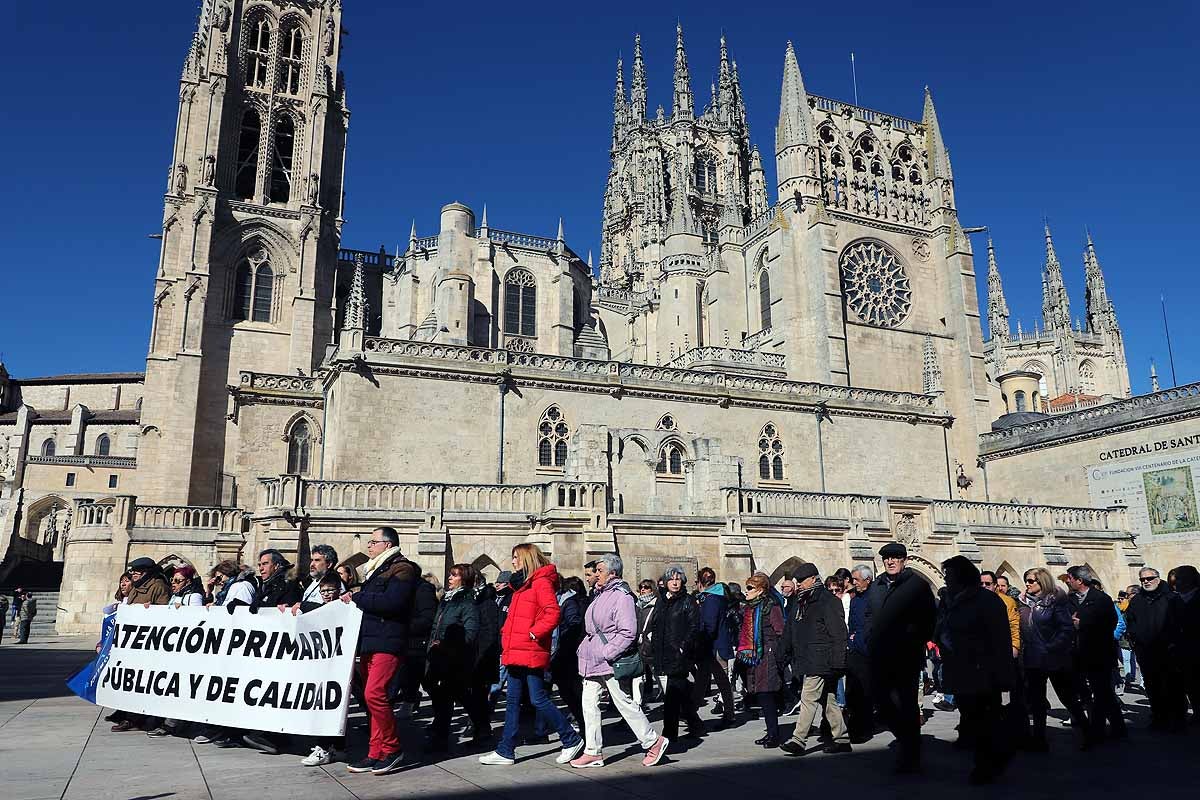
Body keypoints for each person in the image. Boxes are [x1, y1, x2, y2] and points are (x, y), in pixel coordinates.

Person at [479, 543, 583, 766]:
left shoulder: (540, 583)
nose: (513, 561)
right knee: (514, 700)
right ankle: (506, 750)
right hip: (518, 650)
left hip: (530, 650)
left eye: (516, 557)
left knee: (538, 698)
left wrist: (534, 634)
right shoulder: (523, 585)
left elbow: (552, 612)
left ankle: (570, 738)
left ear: (527, 558)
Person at [570, 553, 668, 768]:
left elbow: (628, 632)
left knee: (623, 702)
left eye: (600, 571)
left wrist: (608, 652)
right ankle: (593, 751)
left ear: (612, 573)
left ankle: (653, 741)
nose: (596, 575)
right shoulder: (600, 594)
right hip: (592, 659)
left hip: (608, 660)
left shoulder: (621, 596)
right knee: (589, 705)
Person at [343, 526, 420, 775]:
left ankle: (393, 748)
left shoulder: (402, 568)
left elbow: (393, 603)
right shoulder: (377, 570)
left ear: (387, 544)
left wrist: (357, 597)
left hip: (389, 640)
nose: (368, 546)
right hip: (371, 639)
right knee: (370, 697)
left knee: (375, 694)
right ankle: (375, 752)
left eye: (373, 541)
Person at [936, 556, 1015, 785]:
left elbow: (999, 640)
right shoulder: (952, 600)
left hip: (982, 671)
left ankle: (987, 765)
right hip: (962, 670)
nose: (946, 580)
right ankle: (989, 760)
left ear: (961, 577)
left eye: (949, 576)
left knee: (984, 721)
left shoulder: (987, 601)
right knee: (973, 719)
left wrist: (1003, 675)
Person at [867, 542, 935, 773]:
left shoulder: (917, 585)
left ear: (904, 560)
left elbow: (930, 619)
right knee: (882, 702)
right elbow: (870, 616)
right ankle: (906, 738)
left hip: (906, 656)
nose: (890, 561)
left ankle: (911, 753)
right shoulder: (876, 587)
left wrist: (914, 637)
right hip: (880, 655)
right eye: (887, 558)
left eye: (895, 557)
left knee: (907, 706)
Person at [779, 563, 851, 756]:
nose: (799, 584)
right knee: (828, 700)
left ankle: (798, 740)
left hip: (821, 659)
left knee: (808, 698)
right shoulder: (800, 602)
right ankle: (842, 738)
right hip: (807, 658)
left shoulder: (828, 601)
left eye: (801, 581)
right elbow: (790, 631)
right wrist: (782, 654)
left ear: (813, 579)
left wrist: (838, 662)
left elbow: (839, 633)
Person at [1019, 567, 1089, 751]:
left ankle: (1088, 732)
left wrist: (1050, 648)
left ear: (1042, 582)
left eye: (1031, 581)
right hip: (1033, 659)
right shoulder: (1023, 603)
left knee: (1068, 698)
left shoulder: (1055, 601)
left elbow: (1066, 629)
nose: (1027, 584)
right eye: (1026, 580)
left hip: (1054, 659)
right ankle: (1039, 740)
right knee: (1037, 702)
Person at [1065, 565, 1127, 745]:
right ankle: (1097, 727)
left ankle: (1110, 729)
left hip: (1099, 654)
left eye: (1069, 578)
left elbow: (1109, 624)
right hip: (1077, 654)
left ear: (1079, 580)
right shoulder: (1070, 600)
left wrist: (1082, 624)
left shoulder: (1101, 599)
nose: (1067, 581)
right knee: (1085, 694)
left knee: (1103, 693)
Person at [425, 563, 482, 753]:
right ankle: (480, 726)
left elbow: (470, 633)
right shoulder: (447, 601)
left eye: (454, 575)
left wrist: (447, 645)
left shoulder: (467, 602)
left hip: (455, 659)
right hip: (439, 657)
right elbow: (437, 626)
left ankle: (441, 738)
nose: (449, 578)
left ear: (463, 579)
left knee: (450, 697)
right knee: (449, 696)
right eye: (450, 575)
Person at [1124, 566, 1185, 731]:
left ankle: (1179, 720)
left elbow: (1181, 624)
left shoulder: (1172, 598)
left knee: (1173, 687)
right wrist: (1135, 640)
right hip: (1147, 653)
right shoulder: (1137, 600)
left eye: (1149, 578)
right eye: (1143, 579)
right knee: (1153, 687)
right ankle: (1159, 717)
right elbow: (1130, 621)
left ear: (1158, 578)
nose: (1146, 582)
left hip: (1169, 652)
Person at [300, 574, 351, 766]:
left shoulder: (346, 607)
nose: (327, 595)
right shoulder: (322, 608)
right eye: (323, 592)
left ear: (339, 591)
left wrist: (303, 605)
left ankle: (326, 748)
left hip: (339, 664)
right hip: (324, 665)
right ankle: (334, 748)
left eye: (330, 591)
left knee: (329, 704)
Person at [652, 564, 706, 743]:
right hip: (663, 652)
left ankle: (669, 733)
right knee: (680, 693)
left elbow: (694, 626)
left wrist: (683, 646)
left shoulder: (687, 601)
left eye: (678, 579)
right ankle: (696, 724)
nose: (675, 583)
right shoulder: (661, 600)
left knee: (672, 695)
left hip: (679, 654)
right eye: (672, 579)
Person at [736, 573, 785, 747]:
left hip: (768, 655)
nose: (746, 591)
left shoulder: (770, 607)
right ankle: (770, 732)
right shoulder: (750, 608)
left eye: (750, 588)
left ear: (761, 590)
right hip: (755, 656)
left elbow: (781, 631)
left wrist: (774, 652)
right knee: (761, 695)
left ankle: (774, 735)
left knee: (766, 694)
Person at [981, 569, 1027, 744]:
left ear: (995, 586)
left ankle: (1015, 730)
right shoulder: (975, 602)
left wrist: (1015, 647)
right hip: (983, 656)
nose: (984, 586)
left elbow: (1014, 625)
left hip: (1002, 653)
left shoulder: (1007, 602)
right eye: (982, 584)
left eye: (988, 584)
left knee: (1011, 693)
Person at [693, 566, 735, 728]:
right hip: (714, 646)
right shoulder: (715, 596)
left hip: (714, 647)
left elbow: (709, 625)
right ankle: (691, 709)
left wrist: (700, 641)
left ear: (700, 582)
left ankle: (729, 715)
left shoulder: (711, 599)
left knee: (722, 682)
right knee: (703, 679)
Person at [398, 572, 439, 719]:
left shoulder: (423, 589)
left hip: (420, 642)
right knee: (409, 677)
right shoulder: (407, 589)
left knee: (424, 679)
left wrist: (404, 626)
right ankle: (409, 703)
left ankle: (441, 710)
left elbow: (428, 618)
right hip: (408, 642)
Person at [845, 564, 876, 743]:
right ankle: (856, 727)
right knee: (853, 692)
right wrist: (851, 640)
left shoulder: (874, 597)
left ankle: (864, 728)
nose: (853, 582)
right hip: (855, 650)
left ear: (867, 579)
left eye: (856, 579)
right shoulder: (856, 599)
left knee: (865, 692)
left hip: (868, 651)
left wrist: (860, 640)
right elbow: (853, 625)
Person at [550, 575, 586, 727]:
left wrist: (562, 642)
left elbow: (574, 625)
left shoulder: (567, 601)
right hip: (558, 652)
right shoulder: (559, 600)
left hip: (565, 653)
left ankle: (580, 724)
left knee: (570, 690)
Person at [1171, 565, 1200, 719]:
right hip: (1183, 652)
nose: (1176, 583)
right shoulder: (1175, 601)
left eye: (1179, 579)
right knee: (1191, 685)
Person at [633, 578, 659, 707]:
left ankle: (671, 700)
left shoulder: (656, 604)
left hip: (650, 644)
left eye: (647, 587)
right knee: (638, 675)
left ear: (652, 589)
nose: (643, 589)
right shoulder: (638, 605)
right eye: (641, 586)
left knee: (659, 675)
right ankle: (637, 704)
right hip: (638, 644)